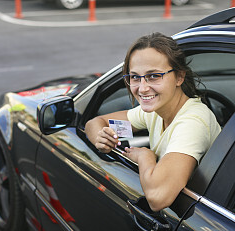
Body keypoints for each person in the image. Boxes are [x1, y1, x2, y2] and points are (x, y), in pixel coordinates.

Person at [85, 32, 221, 211]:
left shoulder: (192, 123)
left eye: (154, 76)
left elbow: (158, 198)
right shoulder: (155, 111)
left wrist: (145, 157)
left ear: (179, 77)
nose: (142, 88)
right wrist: (101, 139)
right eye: (134, 77)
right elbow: (96, 122)